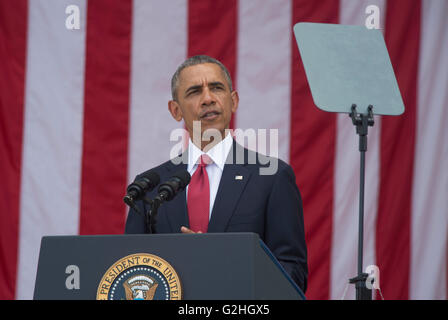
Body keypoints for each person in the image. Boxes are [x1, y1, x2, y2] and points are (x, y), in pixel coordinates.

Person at [125, 55, 308, 292]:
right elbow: (130, 270)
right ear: (176, 110)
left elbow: (293, 275)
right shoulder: (150, 185)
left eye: (216, 88)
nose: (208, 99)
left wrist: (218, 263)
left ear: (233, 101)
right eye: (194, 92)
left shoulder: (272, 177)